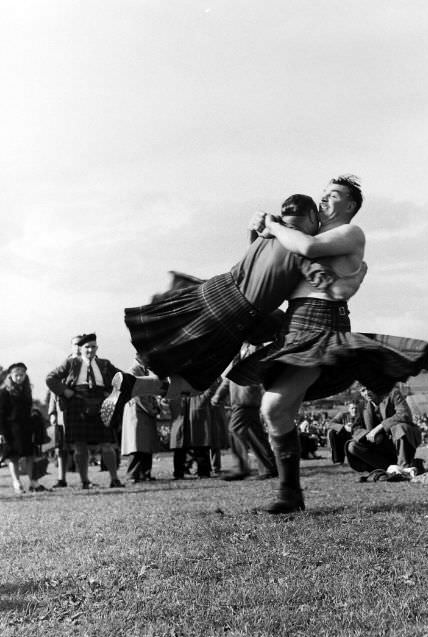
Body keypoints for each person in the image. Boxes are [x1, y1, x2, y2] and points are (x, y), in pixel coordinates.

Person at [229, 176, 428, 513]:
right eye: (323, 194)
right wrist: (257, 232)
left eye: (333, 195)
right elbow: (268, 264)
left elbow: (306, 249)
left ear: (350, 205)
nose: (323, 199)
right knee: (277, 411)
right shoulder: (303, 235)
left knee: (272, 408)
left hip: (321, 327)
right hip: (294, 327)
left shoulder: (351, 233)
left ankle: (289, 494)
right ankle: (290, 495)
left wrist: (271, 224)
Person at [101, 194, 324, 427]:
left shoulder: (267, 233)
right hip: (235, 314)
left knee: (171, 347)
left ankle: (132, 380)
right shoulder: (300, 245)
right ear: (310, 215)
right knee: (195, 383)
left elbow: (265, 266)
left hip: (211, 290)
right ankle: (136, 383)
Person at [45, 333, 124, 489]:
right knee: (80, 446)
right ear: (80, 349)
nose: (90, 350)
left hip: (101, 404)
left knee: (107, 444)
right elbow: (50, 378)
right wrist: (65, 392)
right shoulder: (70, 363)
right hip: (76, 405)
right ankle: (84, 481)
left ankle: (114, 479)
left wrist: (111, 394)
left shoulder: (105, 364)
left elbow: (120, 378)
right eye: (87, 347)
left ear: (97, 348)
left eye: (93, 346)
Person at [212, 348, 277, 481]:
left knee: (234, 429)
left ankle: (240, 468)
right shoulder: (236, 354)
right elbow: (228, 379)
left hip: (246, 400)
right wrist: (219, 395)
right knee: (255, 435)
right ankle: (269, 467)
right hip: (242, 400)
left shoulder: (256, 349)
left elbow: (261, 374)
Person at [344, 386, 423, 472]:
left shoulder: (393, 393)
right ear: (361, 393)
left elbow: (404, 414)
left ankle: (403, 466)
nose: (367, 393)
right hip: (377, 446)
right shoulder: (362, 406)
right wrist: (368, 435)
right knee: (352, 446)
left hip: (398, 441)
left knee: (400, 428)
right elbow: (356, 428)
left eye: (369, 388)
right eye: (363, 390)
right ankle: (389, 468)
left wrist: (378, 428)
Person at [0, 363, 46, 494]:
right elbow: (1, 414)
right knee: (12, 456)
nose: (19, 378)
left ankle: (33, 482)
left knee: (30, 455)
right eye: (16, 375)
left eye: (22, 375)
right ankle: (17, 483)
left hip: (26, 427)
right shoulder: (4, 392)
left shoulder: (26, 390)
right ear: (10, 376)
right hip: (10, 428)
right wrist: (1, 432)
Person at [168, 379, 227, 480]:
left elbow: (212, 385)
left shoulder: (204, 369)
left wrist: (202, 399)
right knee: (180, 442)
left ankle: (203, 471)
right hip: (183, 405)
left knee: (200, 440)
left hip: (196, 404)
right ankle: (180, 471)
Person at [47, 334, 84, 488]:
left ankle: (84, 479)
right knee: (61, 448)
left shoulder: (91, 364)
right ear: (72, 346)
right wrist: (52, 412)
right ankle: (61, 479)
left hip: (82, 411)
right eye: (76, 344)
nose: (78, 347)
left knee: (81, 446)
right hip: (63, 411)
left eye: (81, 344)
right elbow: (53, 388)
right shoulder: (64, 365)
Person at [120, 355, 161, 483]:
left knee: (146, 445)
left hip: (145, 413)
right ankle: (132, 474)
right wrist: (150, 409)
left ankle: (145, 473)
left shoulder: (144, 371)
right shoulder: (134, 371)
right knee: (137, 446)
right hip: (137, 412)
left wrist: (154, 406)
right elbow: (138, 395)